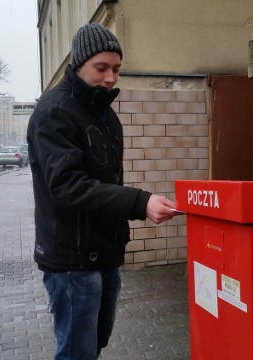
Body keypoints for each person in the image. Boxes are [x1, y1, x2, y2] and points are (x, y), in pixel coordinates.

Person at [27, 23, 177, 360]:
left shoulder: (106, 116)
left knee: (95, 343)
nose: (111, 78)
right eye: (102, 68)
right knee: (76, 352)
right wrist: (141, 202)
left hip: (106, 252)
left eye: (116, 69)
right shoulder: (54, 112)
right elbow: (68, 187)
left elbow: (108, 182)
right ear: (79, 63)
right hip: (71, 259)